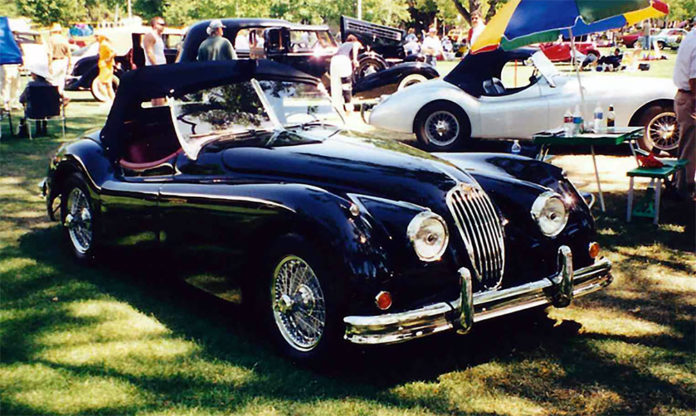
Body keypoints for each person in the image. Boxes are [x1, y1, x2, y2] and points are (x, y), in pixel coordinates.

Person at [672, 18, 696, 199]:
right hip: (691, 97)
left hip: (686, 96)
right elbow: (694, 79)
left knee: (687, 144)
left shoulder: (691, 36)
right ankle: (684, 187)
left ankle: (681, 182)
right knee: (690, 146)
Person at [17, 63, 53, 136]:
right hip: (49, 111)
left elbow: (22, 99)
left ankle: (37, 130)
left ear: (35, 75)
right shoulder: (50, 85)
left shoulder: (30, 85)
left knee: (36, 108)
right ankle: (44, 129)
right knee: (42, 109)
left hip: (33, 111)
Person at [46, 23, 71, 95]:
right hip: (63, 61)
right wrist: (69, 65)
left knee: (50, 81)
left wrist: (49, 65)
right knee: (60, 82)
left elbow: (50, 53)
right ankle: (61, 98)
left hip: (55, 61)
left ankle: (53, 98)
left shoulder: (51, 39)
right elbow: (69, 53)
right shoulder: (64, 39)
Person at [96, 34, 116, 103]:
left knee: (100, 83)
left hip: (105, 66)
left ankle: (106, 99)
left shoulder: (104, 44)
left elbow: (114, 52)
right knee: (108, 85)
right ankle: (113, 100)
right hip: (106, 65)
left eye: (97, 36)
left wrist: (108, 59)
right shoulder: (103, 44)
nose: (96, 38)